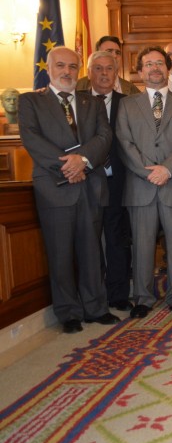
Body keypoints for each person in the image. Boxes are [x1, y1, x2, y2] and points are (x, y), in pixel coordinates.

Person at [18, 46, 120, 333]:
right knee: (60, 253)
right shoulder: (31, 102)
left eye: (72, 67)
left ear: (79, 71)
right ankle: (68, 312)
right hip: (54, 187)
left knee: (91, 252)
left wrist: (83, 161)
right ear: (48, 69)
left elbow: (104, 136)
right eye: (60, 66)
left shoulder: (93, 102)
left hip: (89, 185)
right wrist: (68, 166)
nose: (66, 71)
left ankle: (96, 308)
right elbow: (31, 139)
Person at [116, 46, 172, 319]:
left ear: (168, 69)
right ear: (140, 71)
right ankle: (143, 297)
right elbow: (124, 142)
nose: (154, 68)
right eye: (148, 64)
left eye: (159, 64)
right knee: (142, 244)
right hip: (141, 186)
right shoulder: (127, 105)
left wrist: (167, 169)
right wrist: (149, 172)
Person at [83, 50, 132, 311]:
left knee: (117, 238)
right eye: (98, 69)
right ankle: (93, 296)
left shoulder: (129, 103)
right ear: (89, 73)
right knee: (88, 239)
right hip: (86, 179)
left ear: (116, 74)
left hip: (119, 181)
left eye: (109, 69)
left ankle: (119, 293)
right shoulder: (77, 103)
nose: (104, 74)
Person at [76, 36, 141, 95]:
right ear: (97, 55)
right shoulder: (79, 86)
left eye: (117, 53)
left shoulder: (131, 89)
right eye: (109, 51)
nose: (115, 56)